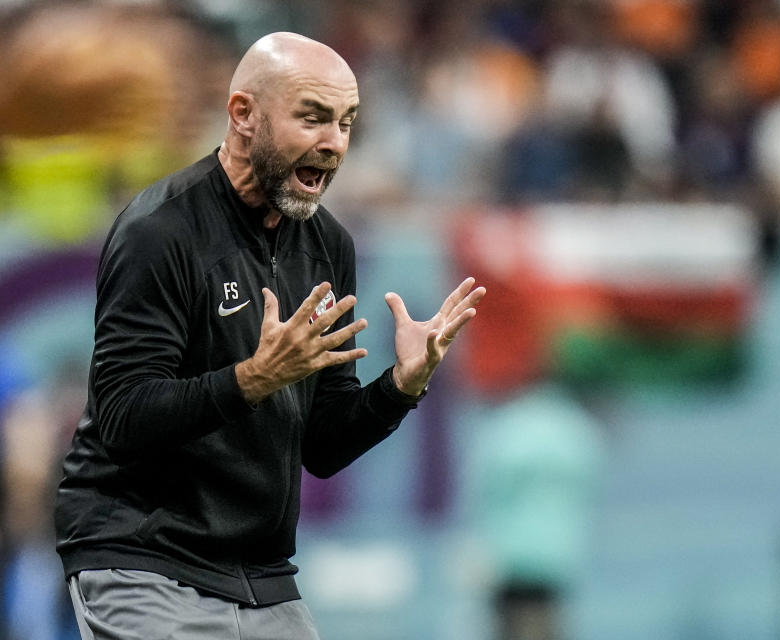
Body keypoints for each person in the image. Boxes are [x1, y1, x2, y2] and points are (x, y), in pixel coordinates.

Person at [53, 32, 485, 640]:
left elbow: (324, 447)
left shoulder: (328, 244)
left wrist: (398, 388)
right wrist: (254, 378)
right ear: (243, 115)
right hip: (142, 557)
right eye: (312, 118)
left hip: (262, 575)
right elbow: (123, 415)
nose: (334, 143)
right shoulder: (161, 231)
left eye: (346, 122)